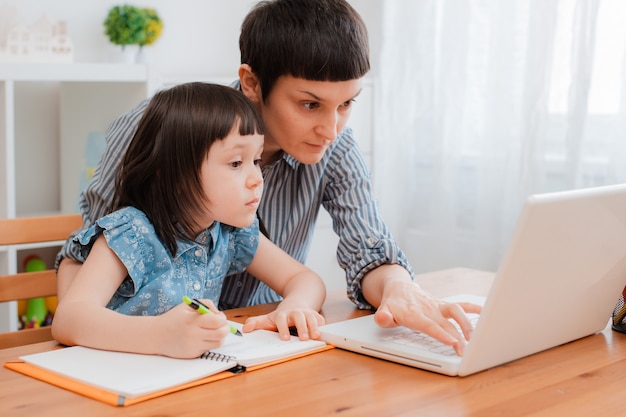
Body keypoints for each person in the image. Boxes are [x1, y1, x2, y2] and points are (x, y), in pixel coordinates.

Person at [56, 0, 480, 356]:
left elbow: (365, 250)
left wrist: (398, 287)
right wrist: (146, 336)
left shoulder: (324, 159)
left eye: (347, 104)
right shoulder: (156, 131)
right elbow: (87, 264)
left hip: (244, 347)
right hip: (123, 354)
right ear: (252, 83)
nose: (331, 130)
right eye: (310, 105)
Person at [52, 83, 326, 358]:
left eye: (255, 160)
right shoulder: (131, 233)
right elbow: (69, 318)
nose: (257, 178)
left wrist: (296, 306)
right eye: (235, 163)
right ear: (176, 175)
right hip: (114, 383)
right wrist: (159, 335)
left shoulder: (229, 233)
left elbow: (303, 278)